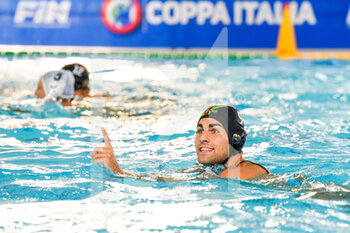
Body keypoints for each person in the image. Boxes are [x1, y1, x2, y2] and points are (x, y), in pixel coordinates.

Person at [90, 105, 269, 180]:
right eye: (200, 130)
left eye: (214, 130)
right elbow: (161, 180)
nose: (202, 137)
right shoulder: (207, 171)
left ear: (235, 139)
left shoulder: (243, 171)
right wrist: (117, 171)